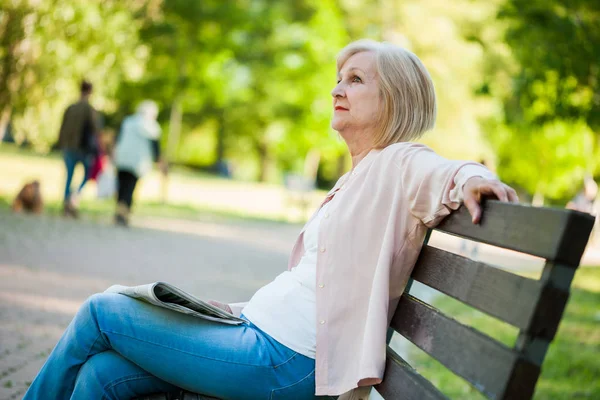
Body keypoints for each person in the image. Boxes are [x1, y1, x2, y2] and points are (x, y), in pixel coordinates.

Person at [23, 40, 518, 400]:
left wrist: (475, 179)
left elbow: (446, 172)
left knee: (100, 311)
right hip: (258, 336)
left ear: (394, 99)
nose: (336, 88)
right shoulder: (360, 176)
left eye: (356, 79)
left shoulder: (398, 162)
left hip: (285, 361)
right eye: (339, 78)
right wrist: (238, 309)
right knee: (102, 376)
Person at [113, 100, 167, 227]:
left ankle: (120, 211)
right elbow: (155, 148)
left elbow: (118, 138)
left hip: (122, 158)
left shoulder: (128, 121)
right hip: (137, 162)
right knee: (130, 187)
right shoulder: (151, 126)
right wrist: (159, 162)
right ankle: (124, 213)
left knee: (122, 185)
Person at [58, 80, 101, 218]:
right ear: (90, 92)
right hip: (83, 149)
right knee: (86, 175)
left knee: (69, 176)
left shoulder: (70, 107)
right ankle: (73, 198)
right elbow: (95, 129)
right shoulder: (89, 109)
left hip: (69, 147)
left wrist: (62, 143)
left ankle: (67, 202)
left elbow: (62, 127)